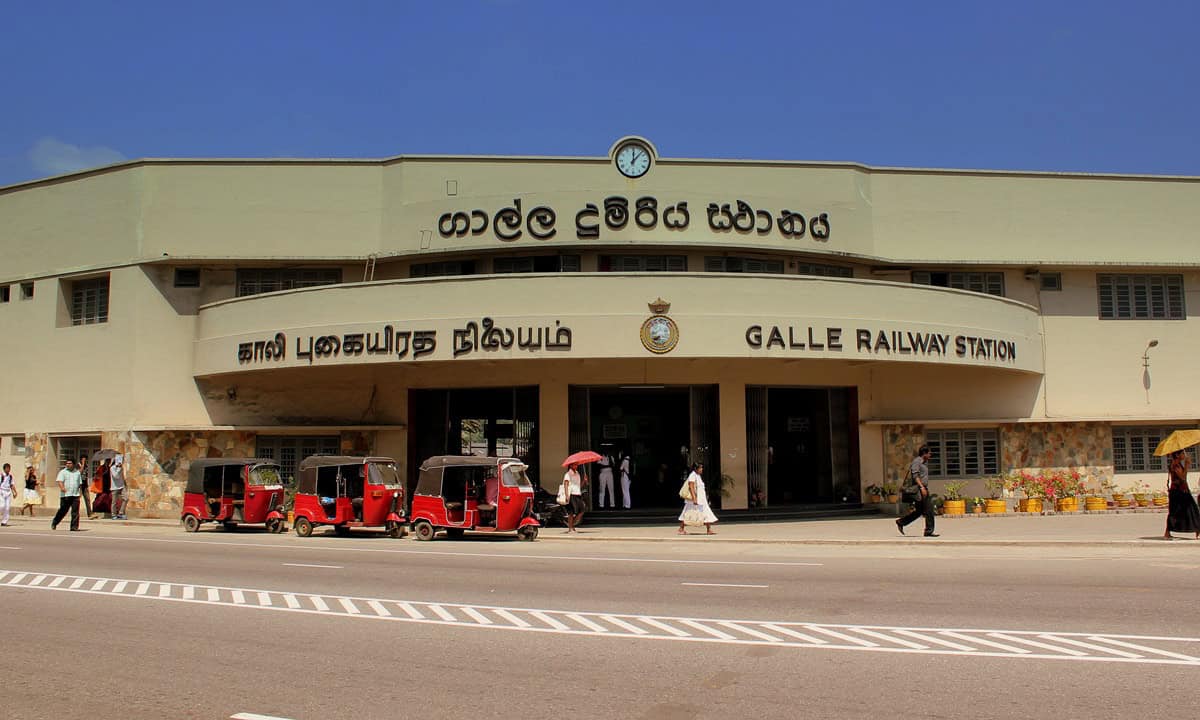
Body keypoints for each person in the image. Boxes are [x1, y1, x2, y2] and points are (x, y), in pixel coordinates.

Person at [896, 444, 938, 537]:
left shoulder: (924, 462)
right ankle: (928, 531)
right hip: (919, 489)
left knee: (919, 511)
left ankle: (901, 522)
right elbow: (915, 476)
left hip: (923, 488)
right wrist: (922, 487)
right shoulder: (917, 462)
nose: (930, 455)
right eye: (929, 453)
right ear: (924, 453)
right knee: (929, 510)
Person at [1163, 449, 1200, 540]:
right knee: (1176, 512)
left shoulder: (1178, 464)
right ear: (1177, 455)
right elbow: (1183, 478)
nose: (1184, 455)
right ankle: (1167, 533)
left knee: (1191, 510)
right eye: (1182, 453)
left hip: (1182, 491)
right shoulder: (1175, 465)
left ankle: (1197, 530)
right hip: (1177, 492)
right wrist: (1187, 466)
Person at [678, 462, 717, 535]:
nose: (702, 469)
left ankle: (709, 529)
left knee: (705, 512)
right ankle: (681, 528)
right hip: (695, 500)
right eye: (700, 468)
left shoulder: (698, 476)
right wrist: (694, 498)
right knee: (688, 514)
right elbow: (691, 487)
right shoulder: (692, 475)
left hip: (701, 499)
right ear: (696, 469)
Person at [51, 458, 84, 531]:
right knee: (63, 510)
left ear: (73, 464)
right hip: (66, 495)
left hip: (75, 494)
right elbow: (60, 481)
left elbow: (79, 483)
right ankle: (55, 522)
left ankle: (74, 527)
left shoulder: (77, 473)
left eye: (70, 463)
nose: (68, 465)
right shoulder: (63, 472)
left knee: (75, 511)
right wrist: (62, 488)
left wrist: (80, 492)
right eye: (67, 463)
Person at [561, 463, 586, 533]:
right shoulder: (568, 474)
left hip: (578, 493)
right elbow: (565, 485)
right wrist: (566, 495)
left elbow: (578, 486)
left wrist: (584, 481)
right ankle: (570, 528)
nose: (576, 466)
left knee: (582, 509)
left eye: (577, 465)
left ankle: (571, 525)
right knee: (571, 512)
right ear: (571, 465)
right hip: (571, 494)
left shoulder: (577, 473)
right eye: (574, 465)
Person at [109, 455, 127, 520]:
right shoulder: (112, 468)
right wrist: (118, 468)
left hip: (121, 486)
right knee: (114, 502)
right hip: (114, 487)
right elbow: (116, 476)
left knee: (126, 498)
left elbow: (121, 476)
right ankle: (113, 514)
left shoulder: (121, 468)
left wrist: (124, 483)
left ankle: (121, 513)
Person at [79, 454, 95, 519]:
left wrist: (88, 484)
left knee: (87, 499)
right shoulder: (78, 465)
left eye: (85, 459)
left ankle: (90, 514)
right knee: (76, 500)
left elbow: (86, 476)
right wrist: (82, 465)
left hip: (85, 485)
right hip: (79, 485)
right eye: (83, 459)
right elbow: (79, 472)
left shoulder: (86, 466)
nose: (84, 460)